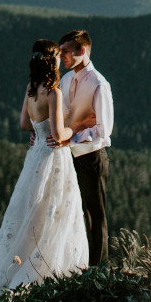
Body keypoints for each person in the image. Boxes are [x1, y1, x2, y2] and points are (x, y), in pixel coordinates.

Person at [0, 40, 89, 302]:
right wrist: (76, 128)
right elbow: (58, 133)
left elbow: (23, 123)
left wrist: (36, 133)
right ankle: (48, 270)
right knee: (56, 211)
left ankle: (24, 264)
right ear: (51, 63)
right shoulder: (53, 92)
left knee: (33, 211)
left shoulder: (30, 89)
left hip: (35, 157)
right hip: (54, 158)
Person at [49, 29, 113, 265]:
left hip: (92, 157)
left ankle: (99, 267)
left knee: (95, 214)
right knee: (74, 213)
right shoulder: (65, 80)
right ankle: (77, 264)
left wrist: (71, 138)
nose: (61, 56)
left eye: (65, 51)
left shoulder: (99, 84)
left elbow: (104, 130)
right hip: (67, 158)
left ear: (82, 51)